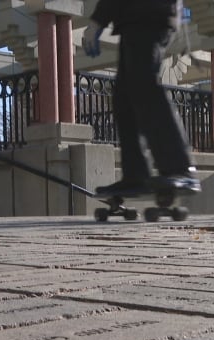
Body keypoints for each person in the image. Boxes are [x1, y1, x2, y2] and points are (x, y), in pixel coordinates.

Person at [82, 0, 200, 195]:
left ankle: (180, 168)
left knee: (145, 87)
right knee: (124, 98)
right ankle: (136, 175)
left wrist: (97, 22)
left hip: (149, 14)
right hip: (135, 18)